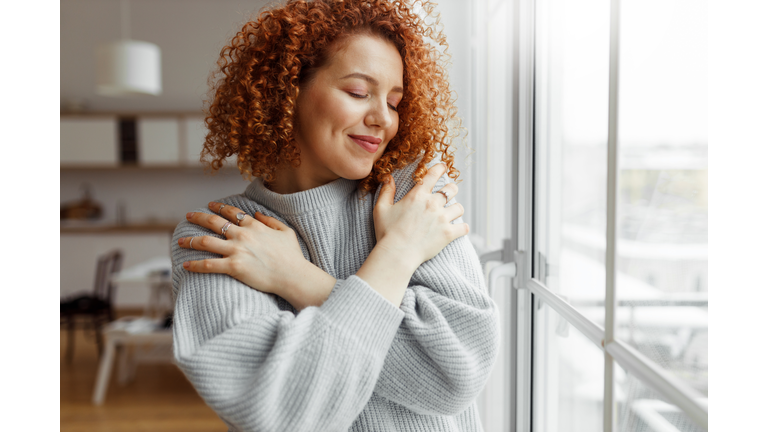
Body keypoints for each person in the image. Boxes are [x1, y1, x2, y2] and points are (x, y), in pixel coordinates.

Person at [170, 1, 499, 431]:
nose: (383, 118)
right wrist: (400, 253)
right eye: (359, 93)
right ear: (286, 92)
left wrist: (298, 279)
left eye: (395, 102)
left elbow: (453, 377)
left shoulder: (410, 199)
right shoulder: (222, 233)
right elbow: (278, 413)